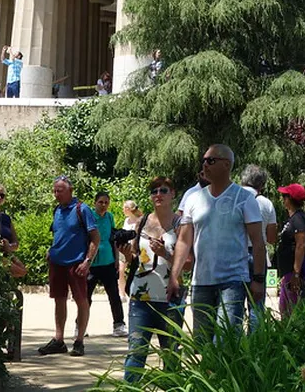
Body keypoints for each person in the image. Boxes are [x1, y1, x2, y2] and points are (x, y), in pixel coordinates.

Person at [167, 144, 265, 344]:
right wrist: (174, 276)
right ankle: (210, 376)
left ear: (226, 164)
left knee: (225, 340)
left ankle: (227, 375)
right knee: (202, 343)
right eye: (203, 160)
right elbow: (184, 240)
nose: (205, 165)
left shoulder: (244, 198)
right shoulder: (193, 199)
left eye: (211, 160)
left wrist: (258, 279)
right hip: (201, 282)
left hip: (234, 281)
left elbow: (258, 242)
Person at [121, 177, 183, 384]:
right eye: (154, 191)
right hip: (141, 298)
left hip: (170, 298)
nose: (158, 194)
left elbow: (189, 262)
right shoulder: (142, 222)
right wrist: (127, 254)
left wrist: (165, 253)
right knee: (136, 352)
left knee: (171, 354)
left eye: (163, 190)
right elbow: (135, 258)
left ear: (172, 194)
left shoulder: (181, 224)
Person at [38, 176, 100, 357]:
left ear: (70, 190)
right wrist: (52, 250)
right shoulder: (57, 210)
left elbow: (96, 238)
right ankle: (59, 340)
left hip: (77, 263)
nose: (56, 194)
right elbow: (60, 234)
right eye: (55, 190)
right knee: (59, 299)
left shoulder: (83, 209)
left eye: (60, 190)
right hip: (57, 263)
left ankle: (79, 341)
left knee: (82, 301)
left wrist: (87, 261)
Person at [240, 165, 279, 329]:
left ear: (242, 180)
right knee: (256, 304)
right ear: (262, 185)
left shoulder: (232, 198)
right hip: (258, 256)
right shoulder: (266, 204)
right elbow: (271, 239)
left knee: (232, 303)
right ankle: (255, 345)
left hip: (234, 254)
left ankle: (231, 344)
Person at [275, 183, 305, 319]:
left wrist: (296, 274)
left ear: (290, 199)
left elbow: (301, 245)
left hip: (296, 274)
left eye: (284, 196)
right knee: (284, 307)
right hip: (289, 272)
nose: (283, 199)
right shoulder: (293, 218)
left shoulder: (299, 219)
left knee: (292, 310)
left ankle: (294, 335)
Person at [87, 192, 127, 337]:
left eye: (106, 202)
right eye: (101, 202)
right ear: (95, 203)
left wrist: (116, 258)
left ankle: (119, 325)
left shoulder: (109, 217)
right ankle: (81, 326)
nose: (103, 205)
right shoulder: (89, 216)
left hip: (108, 260)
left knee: (114, 295)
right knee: (86, 297)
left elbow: (113, 239)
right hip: (92, 262)